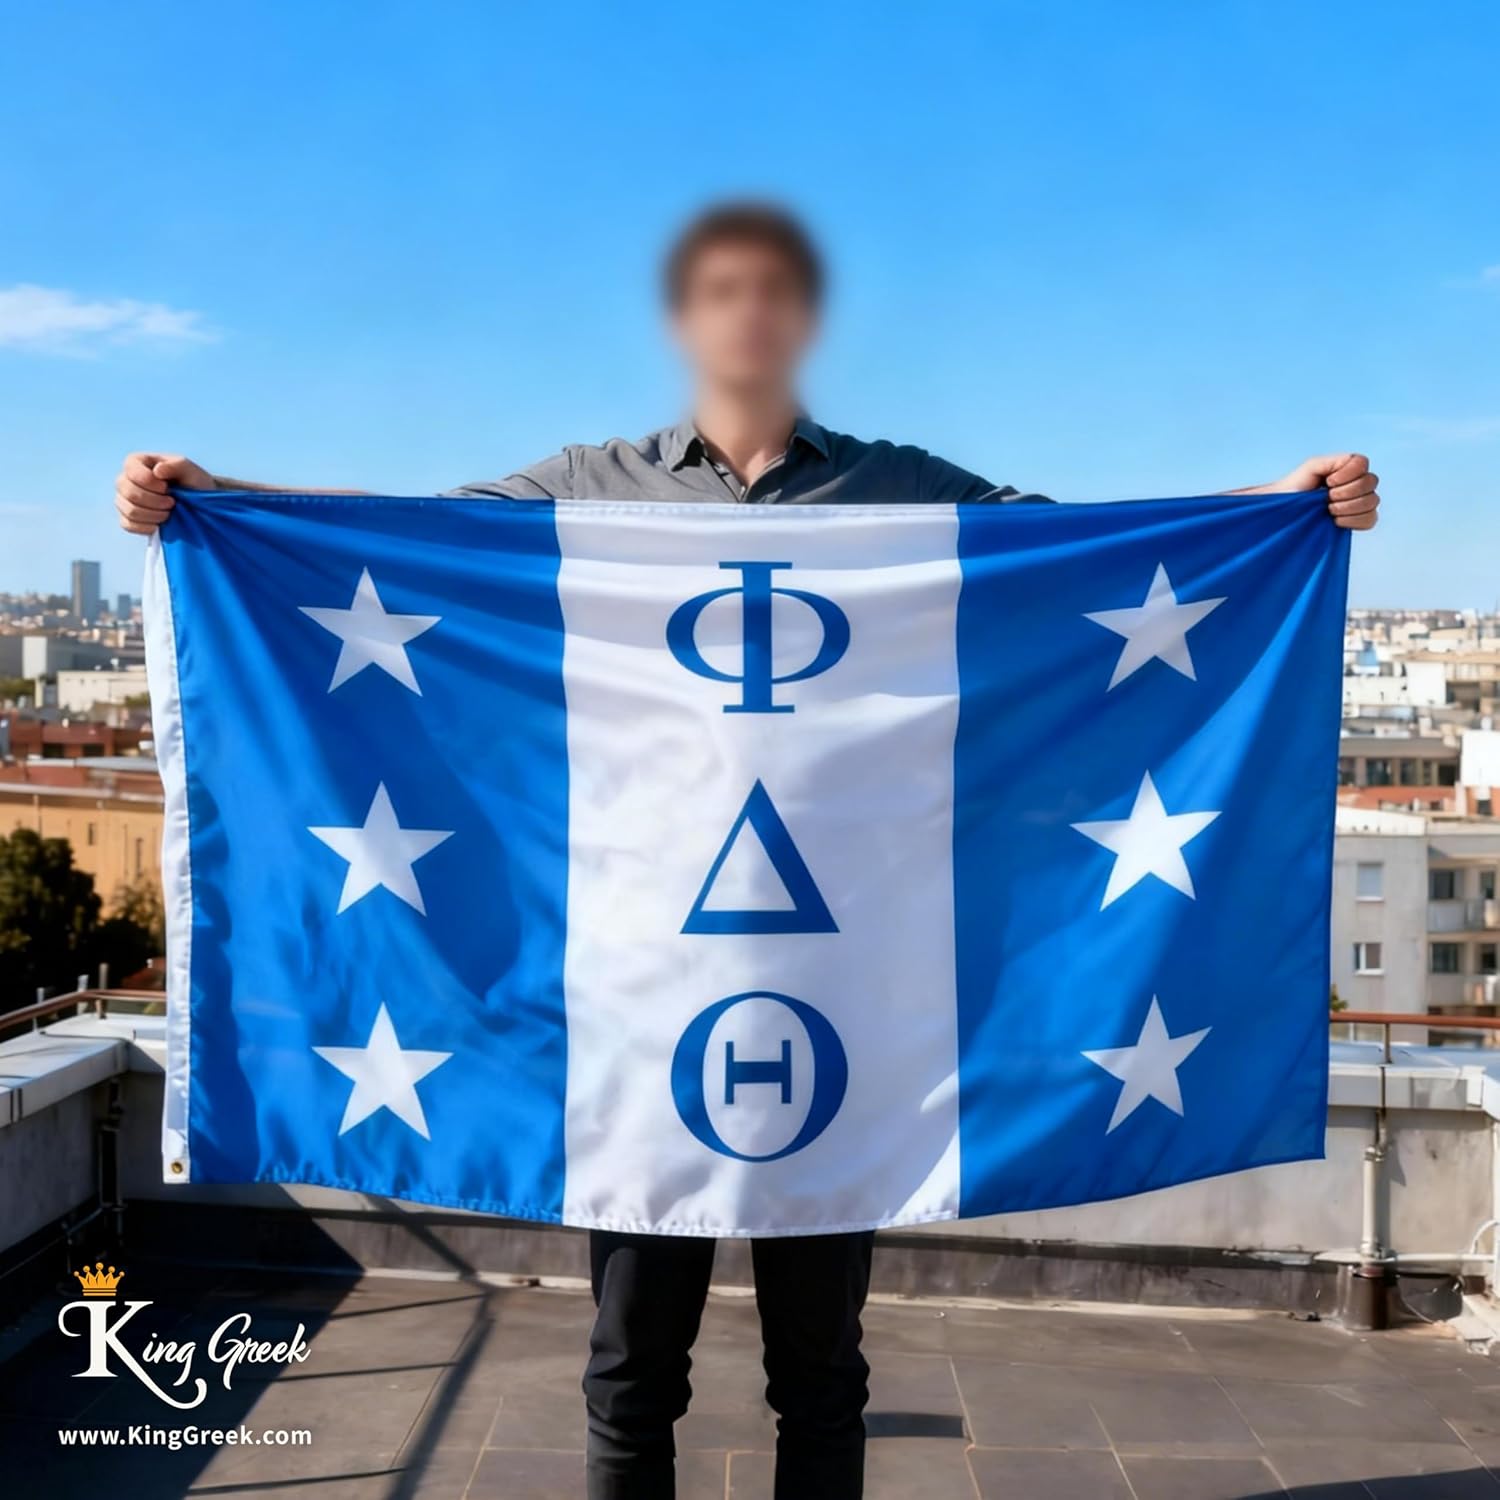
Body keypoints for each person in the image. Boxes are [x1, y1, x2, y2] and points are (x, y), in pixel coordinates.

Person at [113, 201, 1382, 1500]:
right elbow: (400, 542)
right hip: (636, 1016)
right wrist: (221, 499)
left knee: (822, 1374)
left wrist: (1279, 503)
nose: (750, 316)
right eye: (722, 292)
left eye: (776, 291)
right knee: (629, 1374)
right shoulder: (588, 487)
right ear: (683, 321)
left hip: (847, 1027)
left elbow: (1093, 556)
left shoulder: (899, 488)